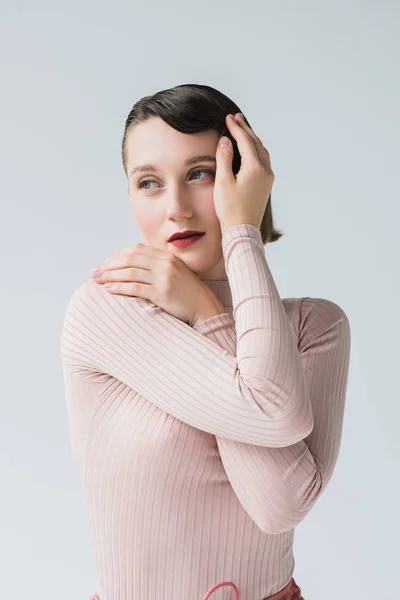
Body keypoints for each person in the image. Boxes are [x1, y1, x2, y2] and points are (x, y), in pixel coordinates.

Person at [60, 83, 351, 600]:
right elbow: (270, 409)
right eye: (148, 182)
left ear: (244, 180)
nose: (176, 207)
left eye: (200, 174)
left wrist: (214, 292)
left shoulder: (315, 328)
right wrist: (206, 312)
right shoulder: (106, 309)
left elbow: (279, 506)